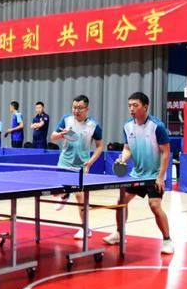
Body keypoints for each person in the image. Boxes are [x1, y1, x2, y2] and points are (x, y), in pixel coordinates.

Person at [104, 92, 174, 254]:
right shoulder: (127, 126)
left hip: (154, 175)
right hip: (137, 174)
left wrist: (161, 177)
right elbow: (127, 149)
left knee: (154, 205)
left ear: (145, 107)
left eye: (135, 105)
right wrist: (123, 159)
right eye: (129, 105)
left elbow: (166, 152)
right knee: (121, 201)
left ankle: (167, 240)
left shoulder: (157, 126)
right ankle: (119, 234)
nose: (131, 109)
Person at [51, 95, 104, 239]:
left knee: (80, 196)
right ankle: (65, 194)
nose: (76, 111)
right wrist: (61, 135)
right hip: (64, 163)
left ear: (87, 109)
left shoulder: (93, 126)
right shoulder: (66, 119)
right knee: (56, 192)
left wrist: (91, 161)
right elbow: (53, 137)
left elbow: (100, 146)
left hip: (81, 165)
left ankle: (85, 228)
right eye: (74, 107)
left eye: (80, 108)